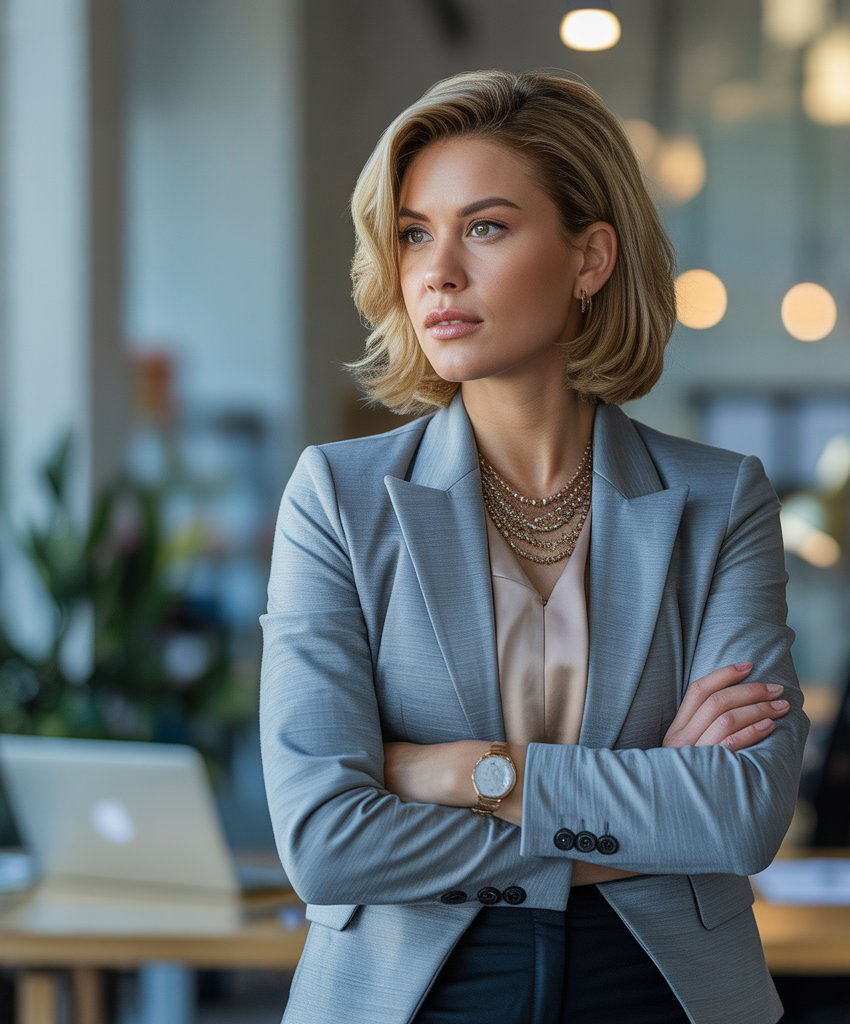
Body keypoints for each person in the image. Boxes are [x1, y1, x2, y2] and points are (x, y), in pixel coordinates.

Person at [260, 69, 809, 1024]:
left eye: (485, 227)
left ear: (590, 256)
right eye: (414, 233)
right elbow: (324, 840)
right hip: (408, 991)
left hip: (662, 987)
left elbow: (741, 813)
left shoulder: (723, 501)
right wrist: (650, 810)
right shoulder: (336, 500)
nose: (437, 272)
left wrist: (467, 773)